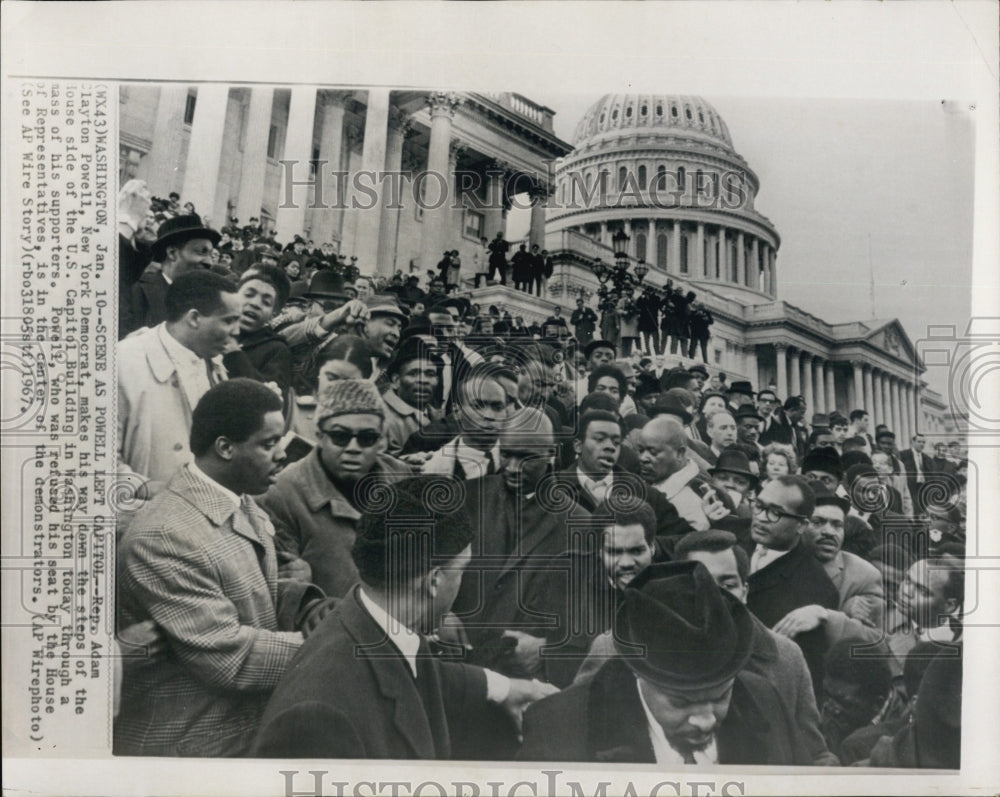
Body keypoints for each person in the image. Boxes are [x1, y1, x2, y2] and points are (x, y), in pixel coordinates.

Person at [253, 475, 557, 759]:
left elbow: (419, 671)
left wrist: (504, 688)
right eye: (462, 569)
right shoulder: (318, 718)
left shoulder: (375, 625)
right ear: (433, 580)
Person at [115, 379, 328, 756]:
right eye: (268, 444)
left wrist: (307, 605)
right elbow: (230, 658)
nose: (283, 454)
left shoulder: (238, 500)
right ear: (225, 448)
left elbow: (248, 591)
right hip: (190, 746)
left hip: (233, 728)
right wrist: (335, 645)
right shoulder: (165, 536)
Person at [519, 560, 804, 765]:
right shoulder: (557, 732)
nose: (705, 720)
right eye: (681, 702)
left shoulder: (766, 701)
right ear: (638, 675)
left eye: (720, 696)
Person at [672, 529, 837, 765]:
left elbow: (813, 752)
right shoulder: (643, 653)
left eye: (728, 585)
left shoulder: (786, 657)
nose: (716, 597)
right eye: (701, 583)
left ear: (745, 592)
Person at [453, 409, 590, 681]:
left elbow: (590, 618)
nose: (513, 468)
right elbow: (429, 572)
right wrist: (440, 615)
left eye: (526, 457)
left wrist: (548, 652)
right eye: (506, 454)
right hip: (459, 671)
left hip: (525, 679)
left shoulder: (581, 525)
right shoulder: (467, 499)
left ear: (551, 453)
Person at [259, 379, 411, 598]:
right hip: (332, 625)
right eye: (340, 436)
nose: (353, 448)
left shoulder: (400, 476)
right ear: (319, 436)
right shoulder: (282, 494)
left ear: (381, 442)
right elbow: (283, 592)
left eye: (367, 438)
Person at [117, 271, 242, 496]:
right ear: (194, 318)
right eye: (229, 320)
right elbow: (91, 460)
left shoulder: (215, 364)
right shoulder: (124, 363)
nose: (237, 331)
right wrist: (154, 491)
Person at [746, 475, 840, 701]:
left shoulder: (816, 589)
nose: (760, 518)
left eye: (775, 513)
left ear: (802, 525)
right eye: (758, 506)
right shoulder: (733, 537)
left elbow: (801, 681)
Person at [773, 485, 884, 648]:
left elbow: (876, 640)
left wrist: (825, 616)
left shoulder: (864, 576)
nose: (829, 532)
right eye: (818, 522)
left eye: (837, 525)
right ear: (799, 525)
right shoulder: (772, 559)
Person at [125, 214, 220, 335]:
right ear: (172, 253)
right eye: (202, 252)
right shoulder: (135, 291)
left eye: (211, 254)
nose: (209, 262)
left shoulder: (210, 300)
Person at [638, 416, 733, 532]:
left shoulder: (700, 494)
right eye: (640, 450)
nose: (643, 458)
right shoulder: (649, 481)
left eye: (653, 452)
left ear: (679, 453)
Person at [421, 365, 508, 480]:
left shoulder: (523, 461)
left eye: (497, 407)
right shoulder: (431, 469)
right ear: (457, 412)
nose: (489, 416)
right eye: (477, 406)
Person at [221, 266, 293, 402]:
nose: (255, 303)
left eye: (266, 302)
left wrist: (234, 354)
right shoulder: (211, 330)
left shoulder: (277, 350)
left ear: (274, 314)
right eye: (248, 295)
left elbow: (270, 404)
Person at [380, 339, 442, 457]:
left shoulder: (436, 415)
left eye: (430, 374)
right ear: (396, 381)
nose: (423, 380)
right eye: (413, 373)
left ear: (437, 381)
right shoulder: (383, 418)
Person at [899, 433, 935, 514]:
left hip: (922, 488)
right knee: (910, 509)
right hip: (909, 487)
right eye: (919, 442)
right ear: (913, 442)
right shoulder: (903, 455)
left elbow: (930, 474)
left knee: (922, 509)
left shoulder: (927, 458)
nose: (922, 444)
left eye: (923, 442)